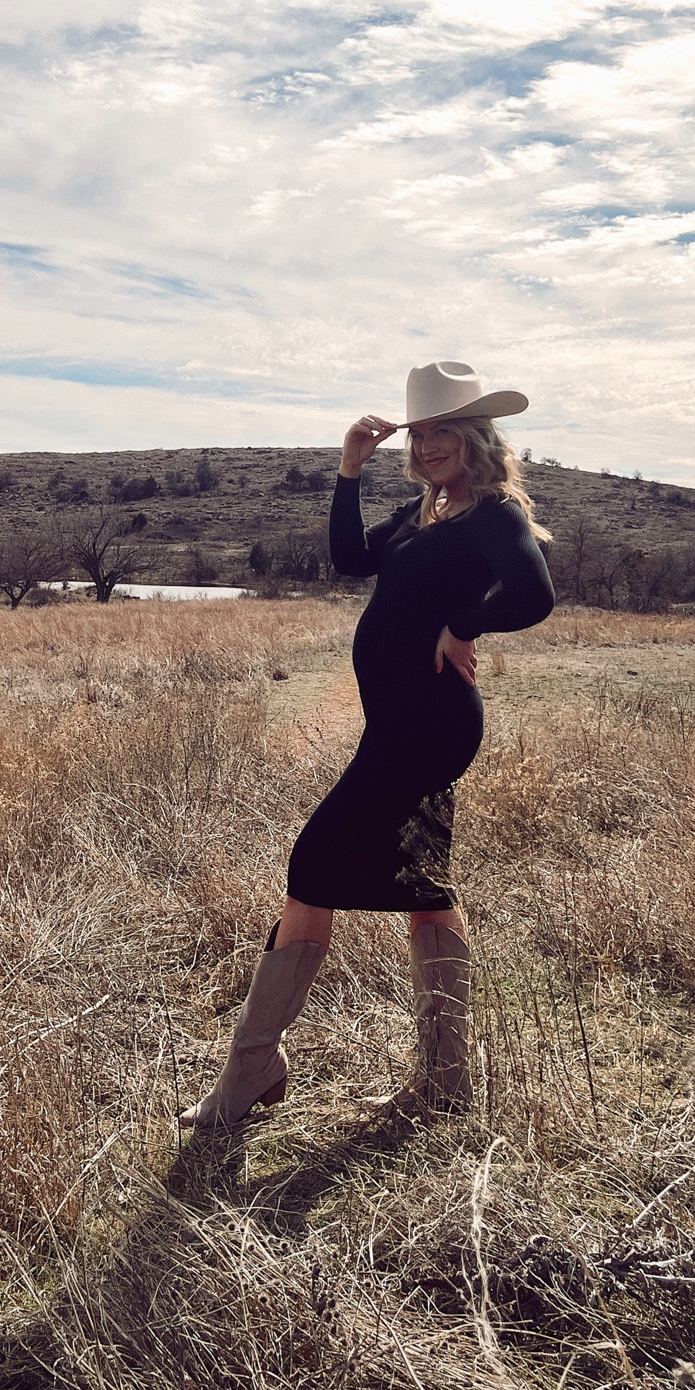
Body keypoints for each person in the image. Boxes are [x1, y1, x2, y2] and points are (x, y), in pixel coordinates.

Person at [180, 361, 555, 1130]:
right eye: (419, 434)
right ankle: (443, 1082)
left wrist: (465, 624)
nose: (428, 446)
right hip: (395, 728)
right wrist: (349, 469)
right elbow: (351, 561)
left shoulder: (493, 512)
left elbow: (534, 592)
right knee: (424, 888)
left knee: (312, 864)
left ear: (476, 436)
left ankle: (252, 1070)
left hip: (432, 727)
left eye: (444, 431)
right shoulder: (424, 514)